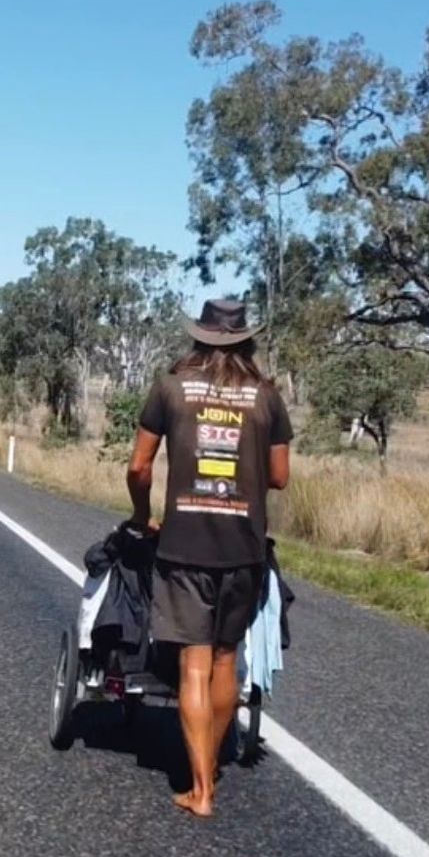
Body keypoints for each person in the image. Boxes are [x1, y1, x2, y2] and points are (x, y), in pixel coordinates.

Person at [125, 298, 291, 819]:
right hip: (244, 547)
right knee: (225, 659)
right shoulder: (266, 396)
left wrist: (140, 514)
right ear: (246, 341)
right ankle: (209, 769)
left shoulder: (171, 386)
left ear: (200, 337)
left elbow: (138, 467)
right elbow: (280, 476)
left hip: (184, 542)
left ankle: (200, 790)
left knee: (192, 664)